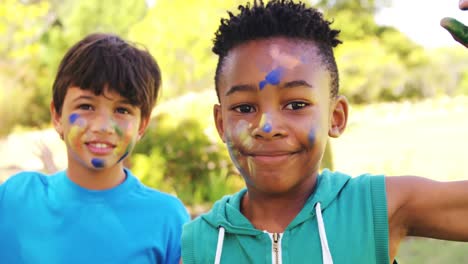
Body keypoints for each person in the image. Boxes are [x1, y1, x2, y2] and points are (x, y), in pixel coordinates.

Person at [181, 1, 468, 263]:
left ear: (336, 117)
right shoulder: (198, 242)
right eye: (244, 108)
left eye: (296, 104)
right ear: (221, 123)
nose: (267, 128)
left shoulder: (374, 205)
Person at [0, 33, 190, 264]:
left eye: (122, 110)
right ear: (57, 116)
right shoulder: (17, 198)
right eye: (86, 106)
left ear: (142, 125)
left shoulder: (166, 218)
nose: (103, 126)